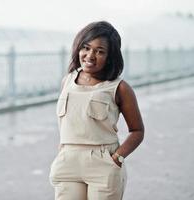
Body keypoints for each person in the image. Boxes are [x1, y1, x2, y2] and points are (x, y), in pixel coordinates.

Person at [49, 21, 145, 200]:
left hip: (103, 164)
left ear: (110, 56)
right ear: (78, 48)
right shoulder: (67, 81)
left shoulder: (120, 88)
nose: (90, 56)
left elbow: (137, 131)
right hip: (68, 163)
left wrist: (117, 158)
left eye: (100, 51)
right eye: (86, 48)